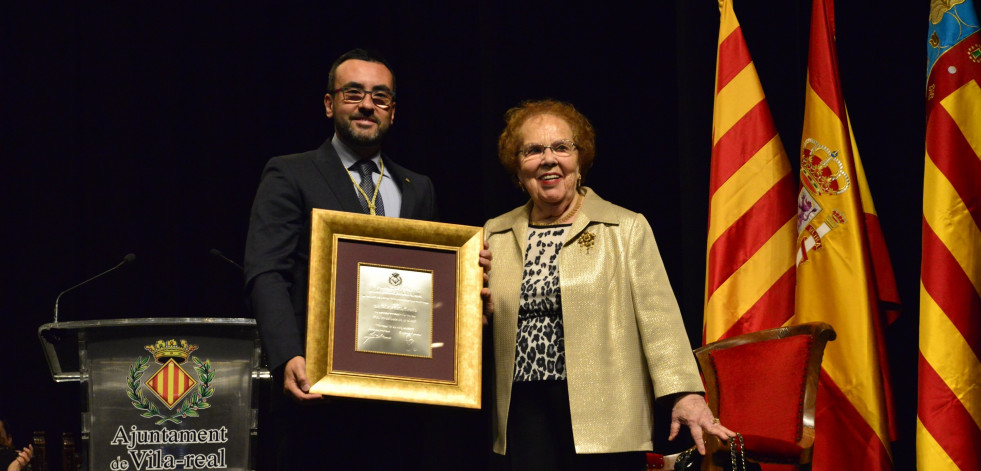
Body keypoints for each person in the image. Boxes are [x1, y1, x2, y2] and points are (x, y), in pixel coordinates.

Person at [245, 48, 489, 469]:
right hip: (318, 393)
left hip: (401, 400)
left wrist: (465, 284)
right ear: (329, 104)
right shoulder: (290, 173)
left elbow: (427, 286)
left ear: (392, 111)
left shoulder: (418, 187)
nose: (366, 105)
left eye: (380, 97)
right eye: (353, 93)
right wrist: (287, 356)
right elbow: (267, 271)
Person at [483, 99, 735, 470]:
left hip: (607, 415)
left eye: (561, 147)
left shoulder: (625, 227)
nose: (548, 159)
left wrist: (685, 394)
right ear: (518, 168)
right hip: (524, 412)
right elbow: (476, 320)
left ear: (579, 160)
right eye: (533, 150)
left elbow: (659, 320)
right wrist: (473, 309)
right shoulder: (495, 233)